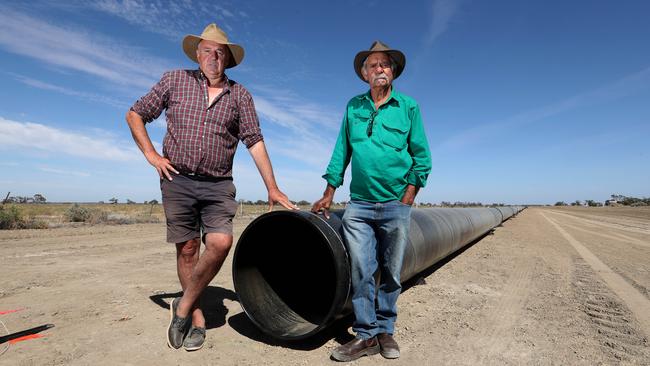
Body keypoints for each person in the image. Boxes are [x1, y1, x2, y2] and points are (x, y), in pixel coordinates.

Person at [126, 23, 297, 352]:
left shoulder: (241, 95)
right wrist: (151, 155)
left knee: (220, 241)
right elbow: (136, 113)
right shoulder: (175, 80)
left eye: (220, 52)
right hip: (177, 178)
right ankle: (198, 320)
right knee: (188, 249)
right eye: (207, 50)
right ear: (197, 54)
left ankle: (184, 306)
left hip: (218, 182)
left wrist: (273, 187)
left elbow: (254, 141)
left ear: (228, 60)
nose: (213, 57)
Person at [311, 40, 431, 361]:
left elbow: (422, 157)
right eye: (373, 65)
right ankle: (365, 335)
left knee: (392, 272)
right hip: (359, 206)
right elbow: (342, 151)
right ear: (364, 74)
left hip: (395, 204)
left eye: (385, 64)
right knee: (362, 270)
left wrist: (407, 197)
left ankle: (386, 331)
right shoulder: (353, 107)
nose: (379, 69)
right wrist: (328, 192)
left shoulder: (408, 107)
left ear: (393, 72)